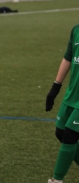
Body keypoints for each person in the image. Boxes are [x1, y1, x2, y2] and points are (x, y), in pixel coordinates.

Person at [45, 24, 79, 183]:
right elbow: (68, 57)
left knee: (70, 135)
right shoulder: (76, 30)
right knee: (60, 132)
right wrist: (55, 87)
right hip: (72, 94)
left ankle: (57, 179)